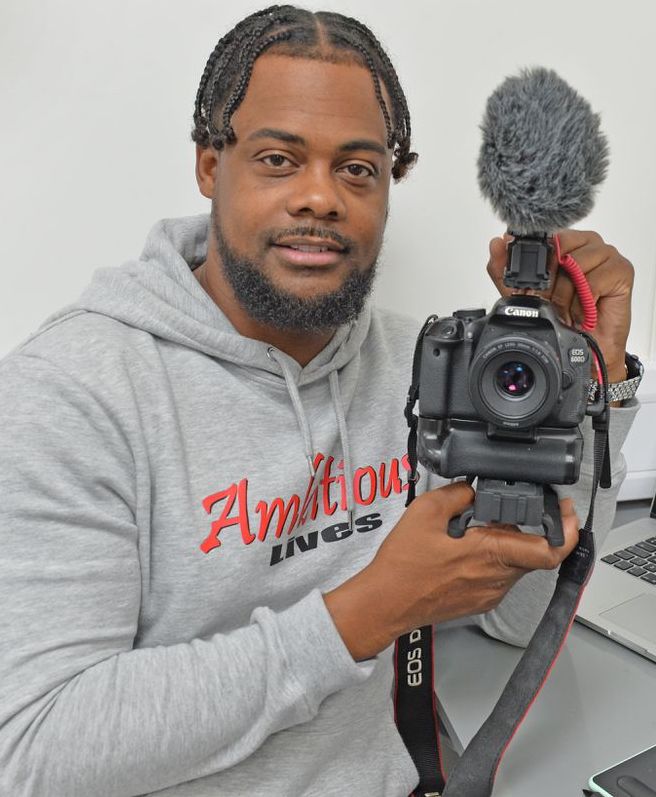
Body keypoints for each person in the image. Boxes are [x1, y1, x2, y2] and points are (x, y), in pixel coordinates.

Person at [0, 6, 638, 796]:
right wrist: (364, 614)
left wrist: (593, 386)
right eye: (279, 159)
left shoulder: (422, 367)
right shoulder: (70, 394)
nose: (320, 197)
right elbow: (30, 749)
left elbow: (515, 618)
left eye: (357, 168)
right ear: (210, 165)